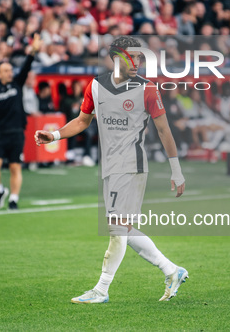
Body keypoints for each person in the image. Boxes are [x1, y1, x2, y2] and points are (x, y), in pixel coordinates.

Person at [35, 36, 188, 304]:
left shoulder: (147, 89)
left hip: (132, 166)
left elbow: (164, 130)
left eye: (141, 57)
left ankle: (101, 290)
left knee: (117, 228)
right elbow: (83, 120)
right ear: (116, 56)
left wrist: (176, 170)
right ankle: (172, 270)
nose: (138, 62)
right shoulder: (96, 86)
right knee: (124, 230)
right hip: (110, 167)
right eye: (133, 56)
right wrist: (55, 135)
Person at [0, 34, 42, 210]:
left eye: (10, 70)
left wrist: (33, 50)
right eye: (6, 70)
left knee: (14, 167)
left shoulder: (17, 84)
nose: (9, 72)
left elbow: (26, 66)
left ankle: (13, 198)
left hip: (17, 132)